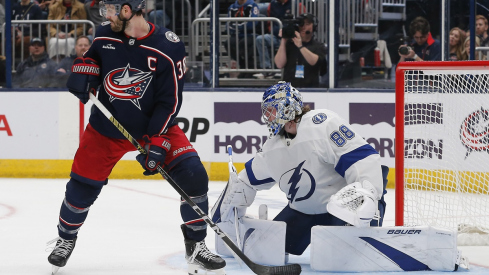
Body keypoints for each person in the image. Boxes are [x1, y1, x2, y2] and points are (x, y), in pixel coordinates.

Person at [46, 0, 226, 274]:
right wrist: (83, 71)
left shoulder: (168, 46)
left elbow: (170, 102)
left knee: (193, 174)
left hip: (152, 127)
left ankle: (197, 246)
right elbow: (93, 60)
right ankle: (65, 239)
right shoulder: (105, 34)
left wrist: (156, 139)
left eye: (110, 8)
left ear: (128, 9)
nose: (105, 14)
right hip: (107, 127)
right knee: (82, 186)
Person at [213, 81, 387, 257]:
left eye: (271, 110)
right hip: (303, 212)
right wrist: (227, 214)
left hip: (342, 210)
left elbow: (363, 160)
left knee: (341, 254)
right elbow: (245, 181)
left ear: (286, 107)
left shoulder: (323, 124)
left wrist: (367, 196)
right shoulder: (271, 148)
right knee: (267, 249)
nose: (267, 116)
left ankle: (364, 230)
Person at [274, 13, 327, 88]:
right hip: (289, 88)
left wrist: (300, 46)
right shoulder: (289, 44)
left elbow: (314, 62)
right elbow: (279, 64)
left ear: (314, 26)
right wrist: (283, 40)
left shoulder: (318, 46)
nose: (303, 27)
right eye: (301, 24)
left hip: (310, 88)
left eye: (307, 24)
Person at [255, 0, 291, 79]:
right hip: (275, 36)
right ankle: (267, 70)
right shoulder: (272, 4)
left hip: (291, 37)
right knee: (260, 39)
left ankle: (284, 71)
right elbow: (269, 21)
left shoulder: (296, 4)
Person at [226, 0, 260, 78]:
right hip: (236, 34)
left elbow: (252, 24)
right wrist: (240, 27)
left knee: (244, 43)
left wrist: (237, 26)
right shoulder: (232, 7)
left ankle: (250, 67)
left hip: (251, 34)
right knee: (228, 43)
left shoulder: (253, 5)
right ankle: (243, 66)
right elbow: (228, 24)